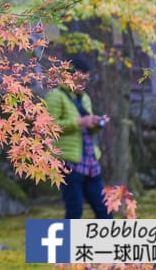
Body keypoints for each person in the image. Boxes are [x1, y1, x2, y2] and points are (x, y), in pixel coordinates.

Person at [44, 56, 113, 220]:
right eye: (79, 79)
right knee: (75, 210)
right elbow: (49, 128)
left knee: (105, 210)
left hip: (89, 161)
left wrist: (96, 124)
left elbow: (87, 131)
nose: (83, 84)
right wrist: (79, 122)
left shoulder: (85, 98)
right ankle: (67, 245)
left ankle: (106, 246)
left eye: (86, 80)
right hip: (68, 162)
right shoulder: (55, 96)